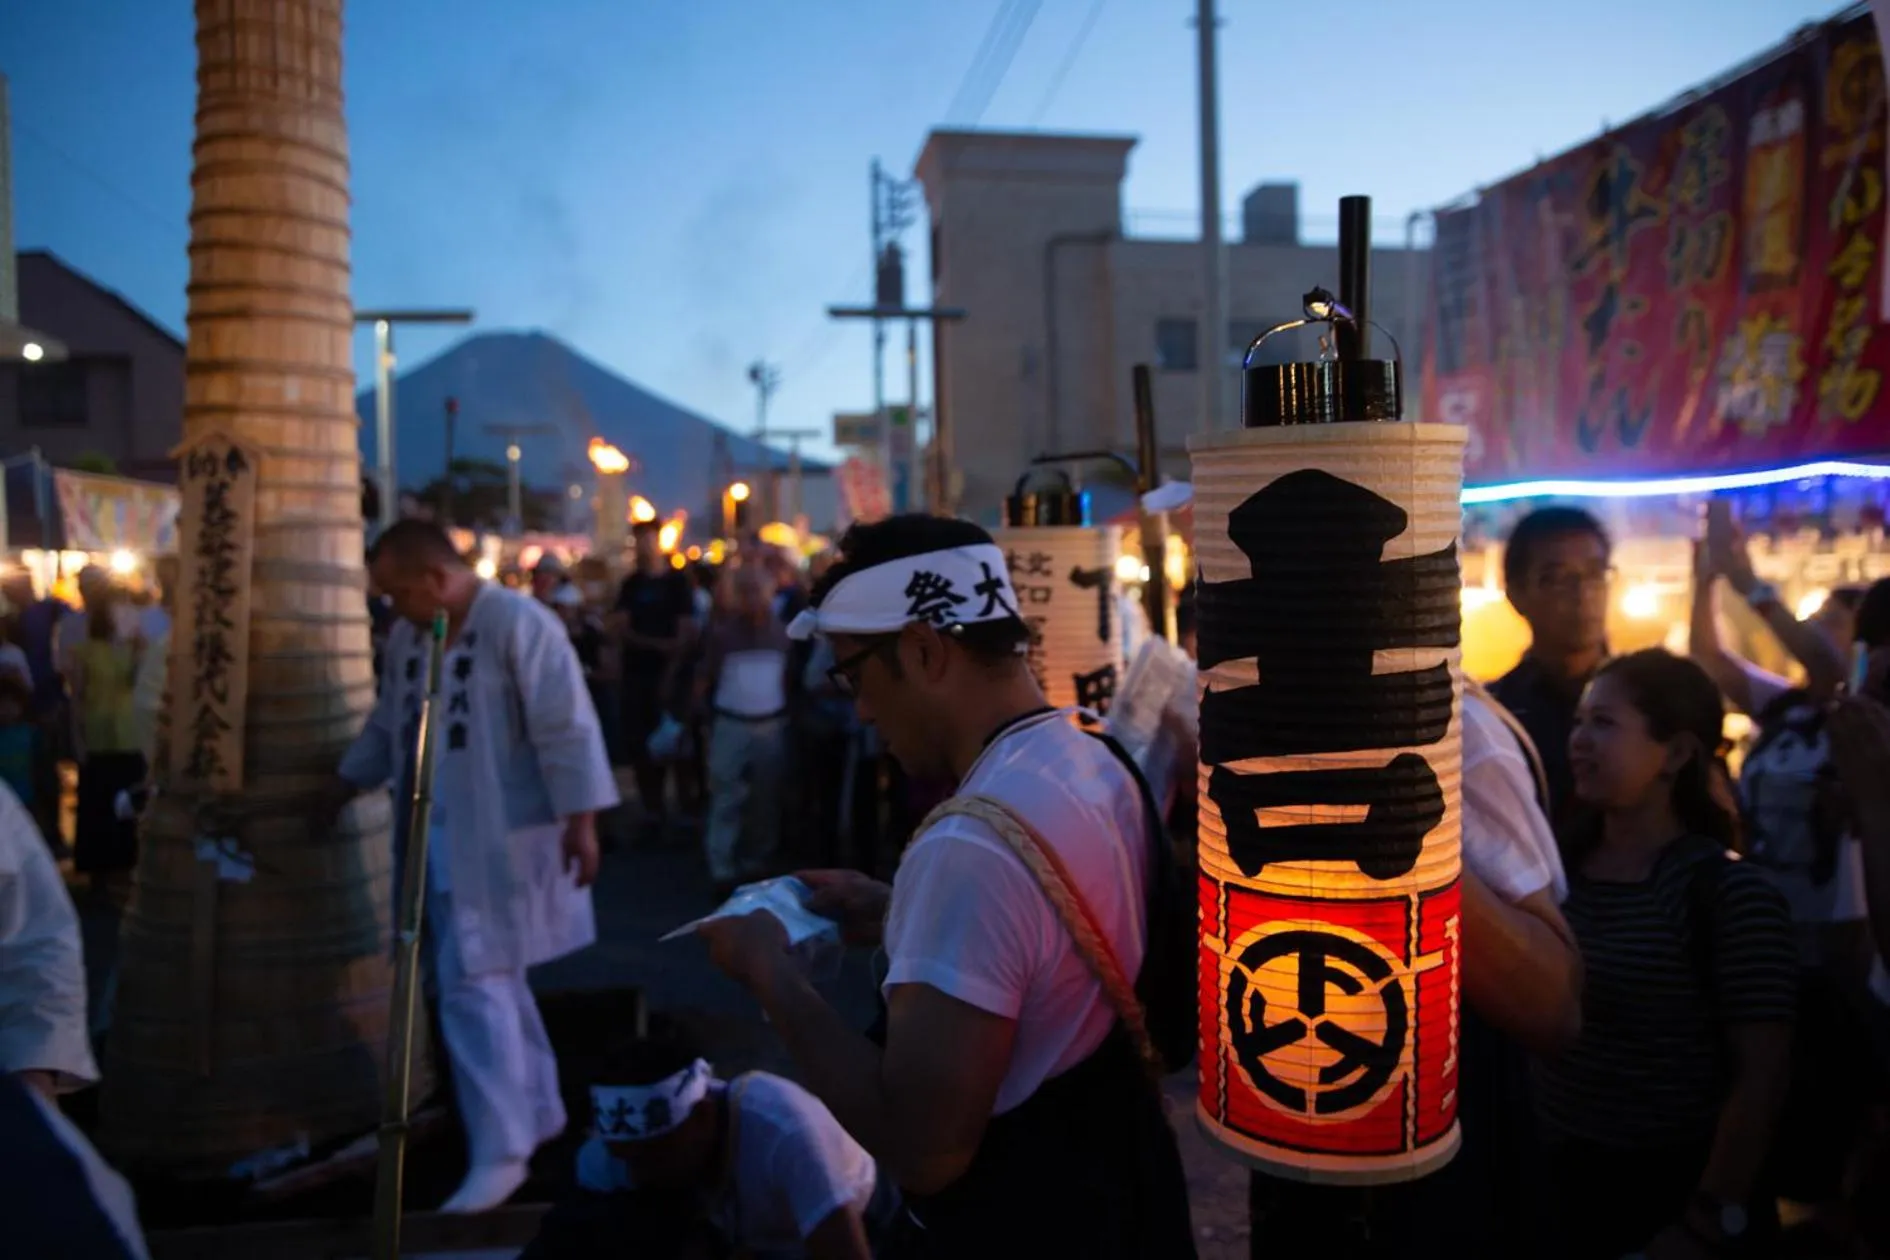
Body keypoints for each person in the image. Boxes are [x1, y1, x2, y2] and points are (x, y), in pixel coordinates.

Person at [696, 515, 1195, 1258]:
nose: (863, 710)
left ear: (924, 651)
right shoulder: (1090, 749)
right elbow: (1052, 940)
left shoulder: (968, 845)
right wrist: (900, 911)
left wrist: (771, 975)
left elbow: (925, 1148)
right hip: (1130, 1193)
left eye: (856, 676)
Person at [325, 520, 619, 1214]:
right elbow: (388, 726)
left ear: (435, 578)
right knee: (493, 975)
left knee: (472, 983)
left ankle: (502, 1149)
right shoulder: (409, 639)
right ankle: (538, 1111)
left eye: (398, 592)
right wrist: (342, 785)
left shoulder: (519, 622)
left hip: (507, 835)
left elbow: (567, 726)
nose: (394, 606)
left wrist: (582, 823)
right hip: (439, 836)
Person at [1535, 649, 1795, 1259]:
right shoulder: (1555, 873)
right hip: (1561, 1187)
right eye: (1579, 721)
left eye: (1604, 723)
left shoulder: (1728, 894)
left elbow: (1763, 1073)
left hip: (1673, 1196)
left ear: (1676, 753)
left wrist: (1708, 1218)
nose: (1579, 740)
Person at [523, 1028, 888, 1259]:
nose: (638, 1173)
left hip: (863, 1223)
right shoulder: (615, 1157)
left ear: (702, 1115)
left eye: (654, 1155)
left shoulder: (786, 1134)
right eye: (626, 1158)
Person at [1489, 506, 1613, 822]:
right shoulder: (1496, 714)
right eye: (1557, 578)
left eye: (1596, 573)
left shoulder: (1648, 701)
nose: (1583, 593)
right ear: (1516, 594)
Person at [697, 565, 792, 895]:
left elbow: (788, 679)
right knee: (726, 796)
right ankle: (722, 866)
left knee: (765, 798)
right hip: (732, 723)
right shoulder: (722, 635)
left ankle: (757, 861)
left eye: (758, 592)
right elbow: (704, 677)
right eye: (746, 592)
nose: (752, 599)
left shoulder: (782, 634)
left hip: (770, 724)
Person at [615, 521, 695, 841]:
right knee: (641, 747)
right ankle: (652, 811)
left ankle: (684, 811)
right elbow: (621, 628)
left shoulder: (678, 583)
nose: (644, 546)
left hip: (673, 680)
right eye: (639, 540)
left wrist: (671, 667)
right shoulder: (631, 585)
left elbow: (686, 631)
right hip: (638, 677)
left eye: (649, 539)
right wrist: (655, 646)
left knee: (678, 746)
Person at [68, 593, 144, 882]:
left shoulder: (132, 649)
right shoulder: (84, 651)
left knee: (126, 802)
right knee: (97, 804)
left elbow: (135, 683)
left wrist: (138, 651)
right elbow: (77, 698)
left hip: (128, 734)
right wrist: (78, 739)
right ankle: (98, 872)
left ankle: (125, 865)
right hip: (97, 734)